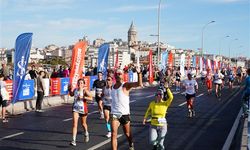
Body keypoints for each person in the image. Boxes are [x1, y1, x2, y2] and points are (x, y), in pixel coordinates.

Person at [111, 68, 142, 150]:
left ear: (122, 76)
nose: (118, 75)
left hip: (124, 114)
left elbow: (139, 84)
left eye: (119, 74)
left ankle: (131, 143)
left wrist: (139, 73)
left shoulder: (125, 85)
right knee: (113, 134)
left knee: (127, 133)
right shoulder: (112, 87)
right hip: (115, 113)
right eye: (116, 74)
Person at [69, 78, 93, 146]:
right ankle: (73, 140)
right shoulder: (75, 90)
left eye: (81, 83)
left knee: (83, 124)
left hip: (83, 109)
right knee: (74, 124)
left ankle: (86, 133)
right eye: (79, 83)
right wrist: (69, 89)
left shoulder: (85, 91)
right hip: (75, 109)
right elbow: (71, 94)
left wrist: (83, 98)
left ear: (84, 84)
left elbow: (91, 98)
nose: (80, 84)